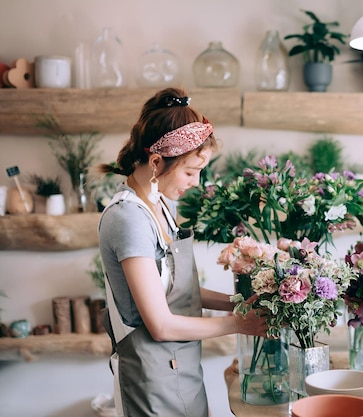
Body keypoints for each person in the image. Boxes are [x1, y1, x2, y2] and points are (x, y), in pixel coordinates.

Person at [97, 87, 268, 417]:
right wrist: (238, 323)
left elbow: (177, 293)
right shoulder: (128, 219)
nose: (196, 182)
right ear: (157, 161)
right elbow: (160, 325)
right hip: (153, 381)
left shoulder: (159, 205)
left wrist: (237, 304)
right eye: (190, 171)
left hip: (184, 370)